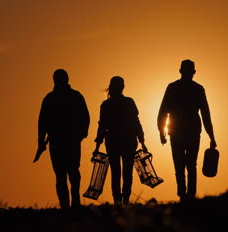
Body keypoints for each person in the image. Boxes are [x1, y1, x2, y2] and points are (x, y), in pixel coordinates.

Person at [157, 59, 217, 202]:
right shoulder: (198, 89)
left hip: (178, 131)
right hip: (190, 131)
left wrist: (161, 132)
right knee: (191, 164)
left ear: (180, 71)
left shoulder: (173, 87)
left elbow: (163, 111)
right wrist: (212, 136)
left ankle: (183, 195)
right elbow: (205, 114)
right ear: (194, 72)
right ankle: (189, 195)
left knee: (180, 165)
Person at [37, 69, 90, 209]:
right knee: (64, 174)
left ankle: (73, 204)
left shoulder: (67, 97)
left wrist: (81, 134)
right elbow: (42, 122)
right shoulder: (54, 98)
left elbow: (85, 117)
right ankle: (67, 206)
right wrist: (41, 141)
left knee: (70, 172)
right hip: (61, 140)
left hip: (69, 140)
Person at [93, 76, 148, 205]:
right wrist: (142, 141)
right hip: (128, 141)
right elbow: (136, 123)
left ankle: (118, 200)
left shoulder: (106, 105)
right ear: (122, 87)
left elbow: (102, 126)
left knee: (116, 173)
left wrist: (97, 146)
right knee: (127, 172)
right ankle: (125, 200)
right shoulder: (128, 102)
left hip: (113, 142)